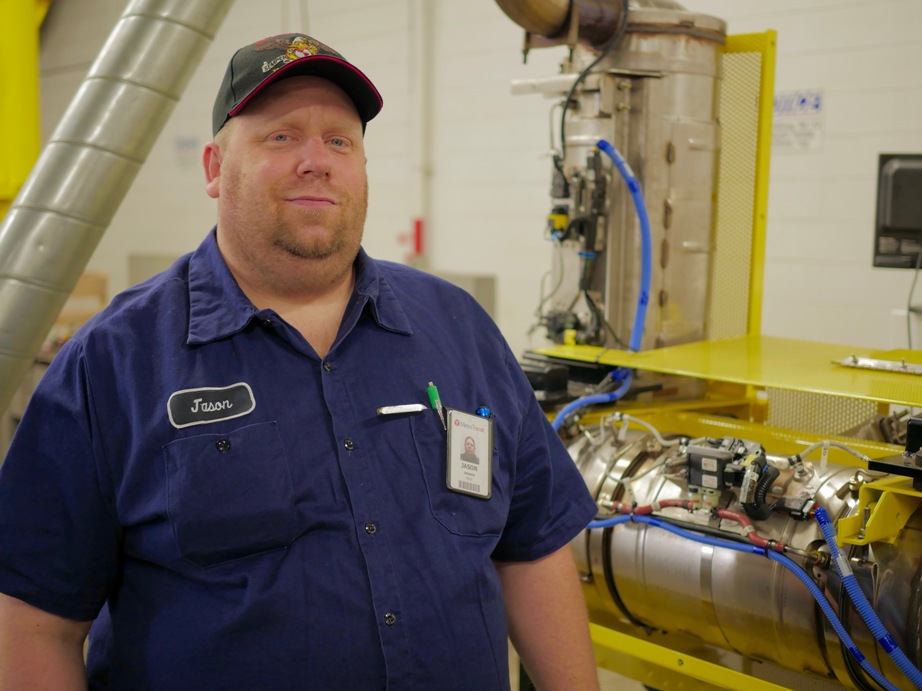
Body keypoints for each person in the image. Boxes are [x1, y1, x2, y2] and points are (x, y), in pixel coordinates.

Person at [0, 33, 601, 690]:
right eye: (281, 136)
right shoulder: (113, 362)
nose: (316, 161)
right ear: (214, 167)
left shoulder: (458, 328)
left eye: (339, 140)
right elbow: (35, 624)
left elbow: (532, 548)